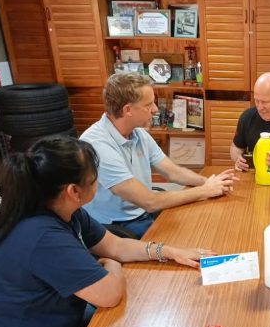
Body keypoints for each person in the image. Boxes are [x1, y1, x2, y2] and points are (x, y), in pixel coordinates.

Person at [0, 136, 215, 327]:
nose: (98, 183)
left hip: (52, 322)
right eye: (93, 179)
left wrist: (170, 252)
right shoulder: (41, 235)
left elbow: (116, 246)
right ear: (73, 191)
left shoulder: (65, 210)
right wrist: (113, 267)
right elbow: (109, 293)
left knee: (143, 315)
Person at [81, 72, 236, 238]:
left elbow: (173, 172)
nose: (155, 109)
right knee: (188, 238)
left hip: (142, 213)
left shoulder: (138, 133)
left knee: (201, 222)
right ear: (128, 110)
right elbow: (150, 201)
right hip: (116, 226)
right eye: (149, 105)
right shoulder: (96, 145)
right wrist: (204, 191)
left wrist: (209, 182)